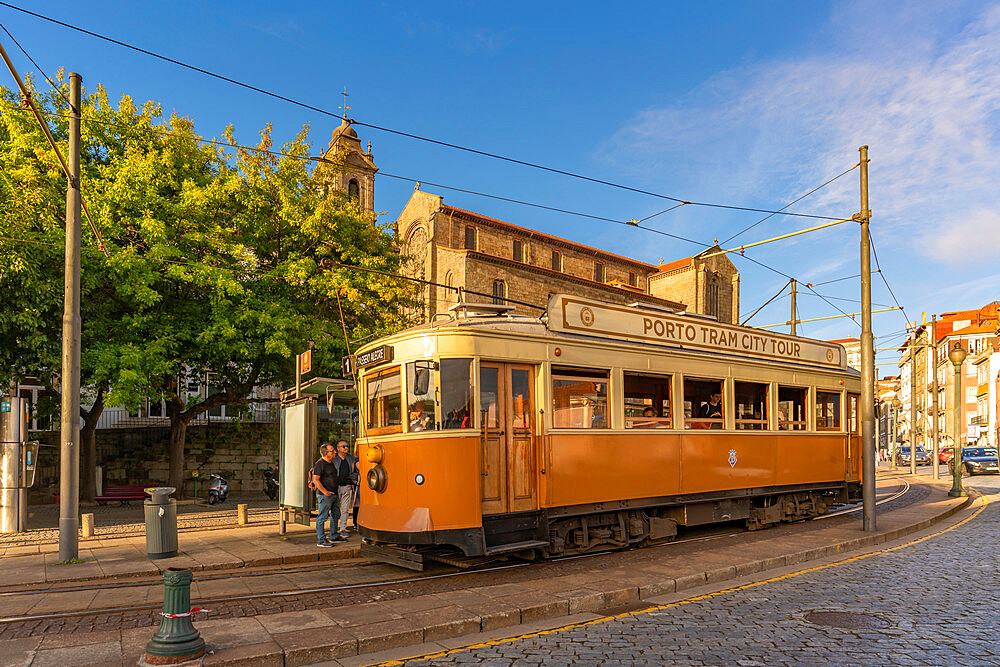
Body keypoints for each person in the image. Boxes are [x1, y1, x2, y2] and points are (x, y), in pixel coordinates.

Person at [312, 443, 344, 547]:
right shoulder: (320, 464)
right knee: (322, 517)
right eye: (332, 451)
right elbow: (315, 480)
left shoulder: (331, 463)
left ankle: (333, 535)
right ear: (326, 453)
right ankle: (321, 540)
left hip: (334, 494)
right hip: (325, 495)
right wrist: (325, 492)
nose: (335, 452)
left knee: (336, 515)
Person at [333, 440, 359, 538]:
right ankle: (334, 530)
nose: (346, 447)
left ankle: (343, 529)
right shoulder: (334, 459)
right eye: (343, 446)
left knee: (345, 510)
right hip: (336, 487)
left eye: (347, 446)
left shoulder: (350, 458)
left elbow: (356, 470)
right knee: (335, 510)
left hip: (347, 487)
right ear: (338, 448)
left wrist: (353, 478)